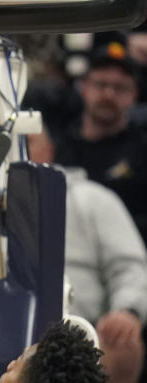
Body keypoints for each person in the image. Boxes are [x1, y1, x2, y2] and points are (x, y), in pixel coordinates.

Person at [27, 127, 147, 383]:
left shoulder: (93, 198)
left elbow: (131, 266)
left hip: (83, 332)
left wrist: (127, 310)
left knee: (124, 341)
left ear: (48, 151)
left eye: (26, 142)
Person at [55, 50, 147, 241]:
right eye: (101, 84)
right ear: (84, 88)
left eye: (120, 88)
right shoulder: (59, 146)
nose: (108, 94)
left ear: (134, 95)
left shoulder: (141, 149)